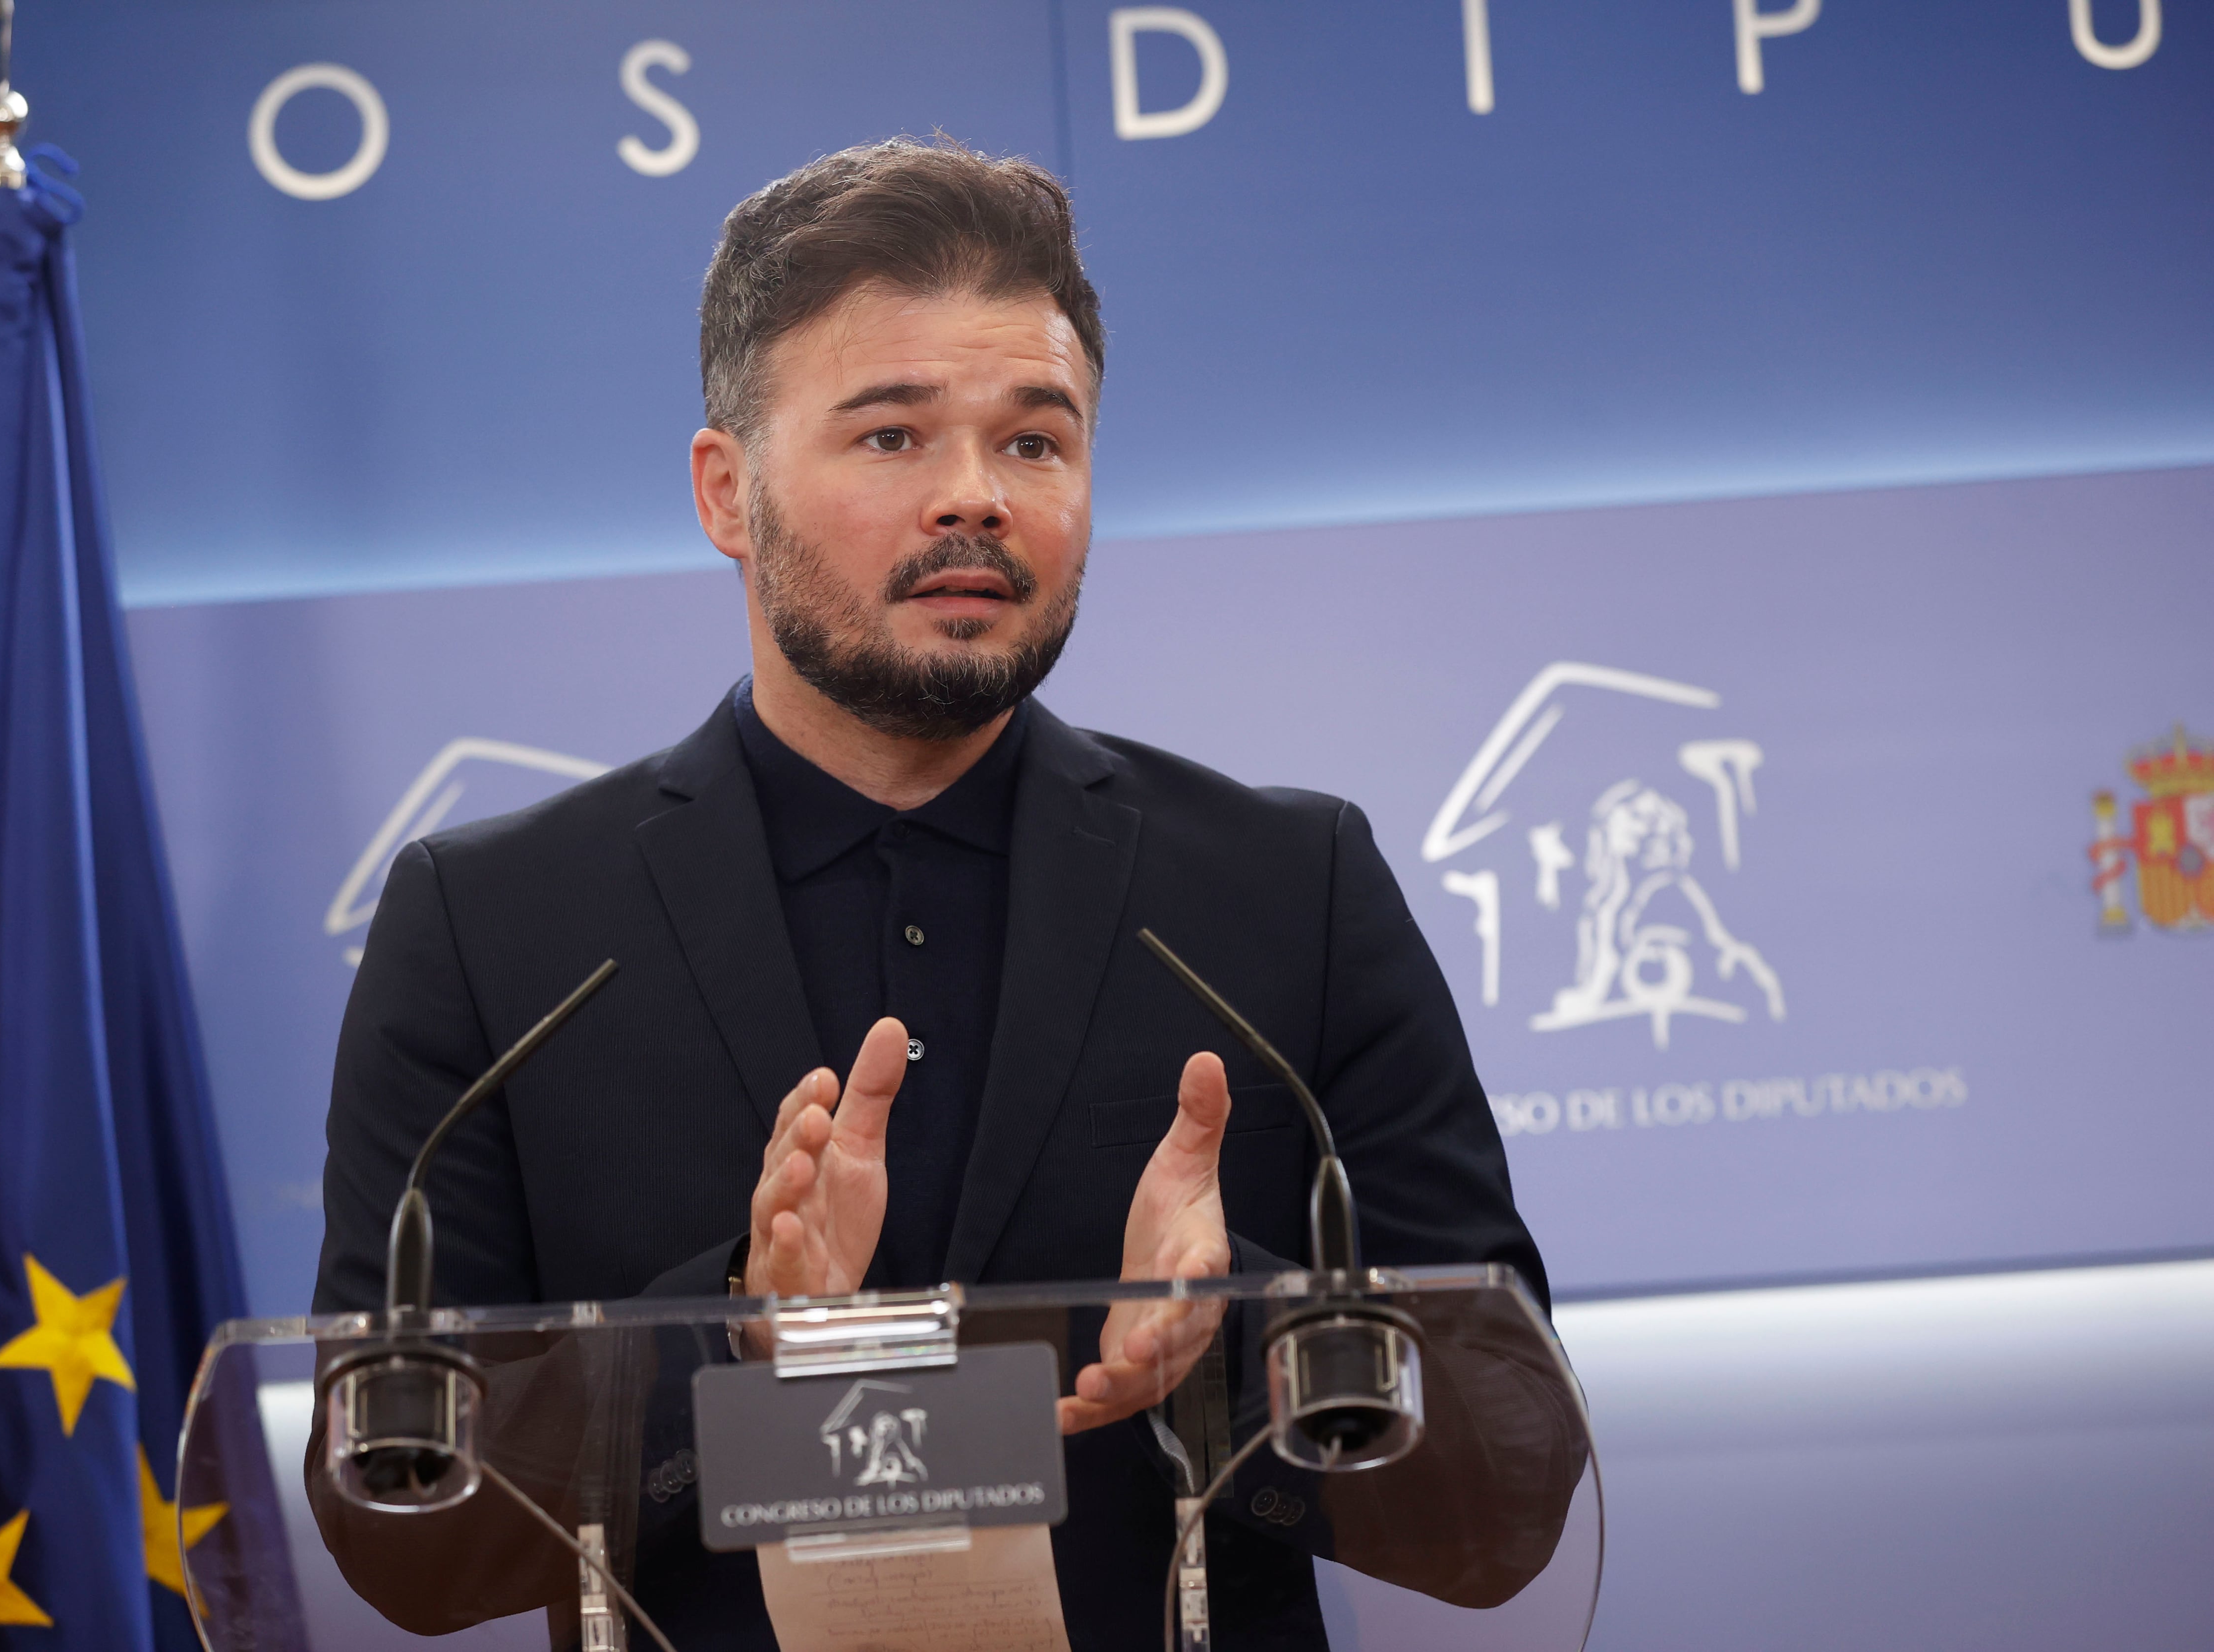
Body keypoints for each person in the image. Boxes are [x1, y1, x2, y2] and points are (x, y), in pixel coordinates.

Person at [314, 136, 1547, 1648]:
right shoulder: (498, 934)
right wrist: (735, 1334)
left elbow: (1507, 1503)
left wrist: (1240, 1335)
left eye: (1036, 442)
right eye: (892, 438)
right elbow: (402, 1544)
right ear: (727, 490)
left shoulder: (1292, 895)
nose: (977, 499)